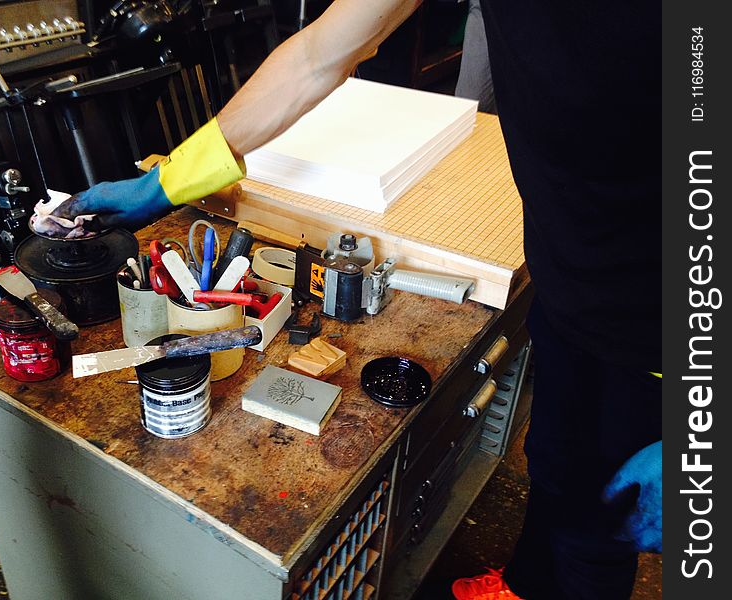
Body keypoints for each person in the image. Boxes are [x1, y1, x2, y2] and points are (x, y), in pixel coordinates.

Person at [54, 1, 661, 598]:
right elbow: (320, 53)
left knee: (604, 523)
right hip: (571, 269)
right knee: (559, 461)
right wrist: (167, 181)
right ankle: (532, 584)